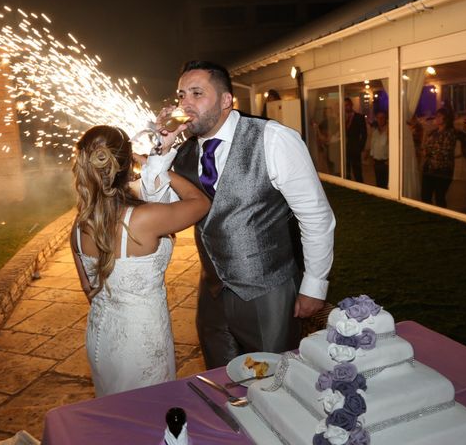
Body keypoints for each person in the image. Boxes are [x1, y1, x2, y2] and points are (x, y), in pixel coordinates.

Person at [141, 61, 335, 369]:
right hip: (212, 294)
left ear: (226, 101)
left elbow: (316, 216)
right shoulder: (184, 154)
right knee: (220, 382)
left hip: (267, 290)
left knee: (273, 378)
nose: (185, 104)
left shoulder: (272, 138)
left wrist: (314, 285)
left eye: (196, 93)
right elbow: (156, 206)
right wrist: (162, 148)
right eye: (180, 96)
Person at [70, 125, 210, 396]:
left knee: (114, 411)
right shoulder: (144, 219)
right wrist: (155, 167)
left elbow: (90, 290)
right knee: (151, 414)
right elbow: (201, 202)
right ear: (125, 165)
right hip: (141, 340)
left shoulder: (78, 225)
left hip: (101, 337)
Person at [421, 108, 457, 207]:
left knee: (439, 197)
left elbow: (445, 151)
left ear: (446, 119)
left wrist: (428, 151)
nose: (436, 118)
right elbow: (426, 146)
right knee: (425, 196)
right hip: (429, 168)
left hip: (442, 170)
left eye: (439, 116)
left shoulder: (450, 133)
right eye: (436, 115)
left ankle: (441, 218)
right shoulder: (433, 132)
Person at [344, 97, 367, 182]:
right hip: (344, 148)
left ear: (351, 105)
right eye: (344, 106)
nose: (346, 107)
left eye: (347, 105)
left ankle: (361, 188)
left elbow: (364, 134)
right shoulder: (341, 118)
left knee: (357, 171)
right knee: (346, 171)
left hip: (355, 148)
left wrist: (360, 148)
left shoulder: (359, 117)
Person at [369, 110, 389, 188]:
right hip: (376, 162)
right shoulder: (375, 132)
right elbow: (372, 146)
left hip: (386, 162)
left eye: (382, 118)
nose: (380, 120)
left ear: (385, 119)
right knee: (378, 183)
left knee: (386, 183)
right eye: (378, 118)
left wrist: (390, 160)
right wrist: (372, 157)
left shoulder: (389, 131)